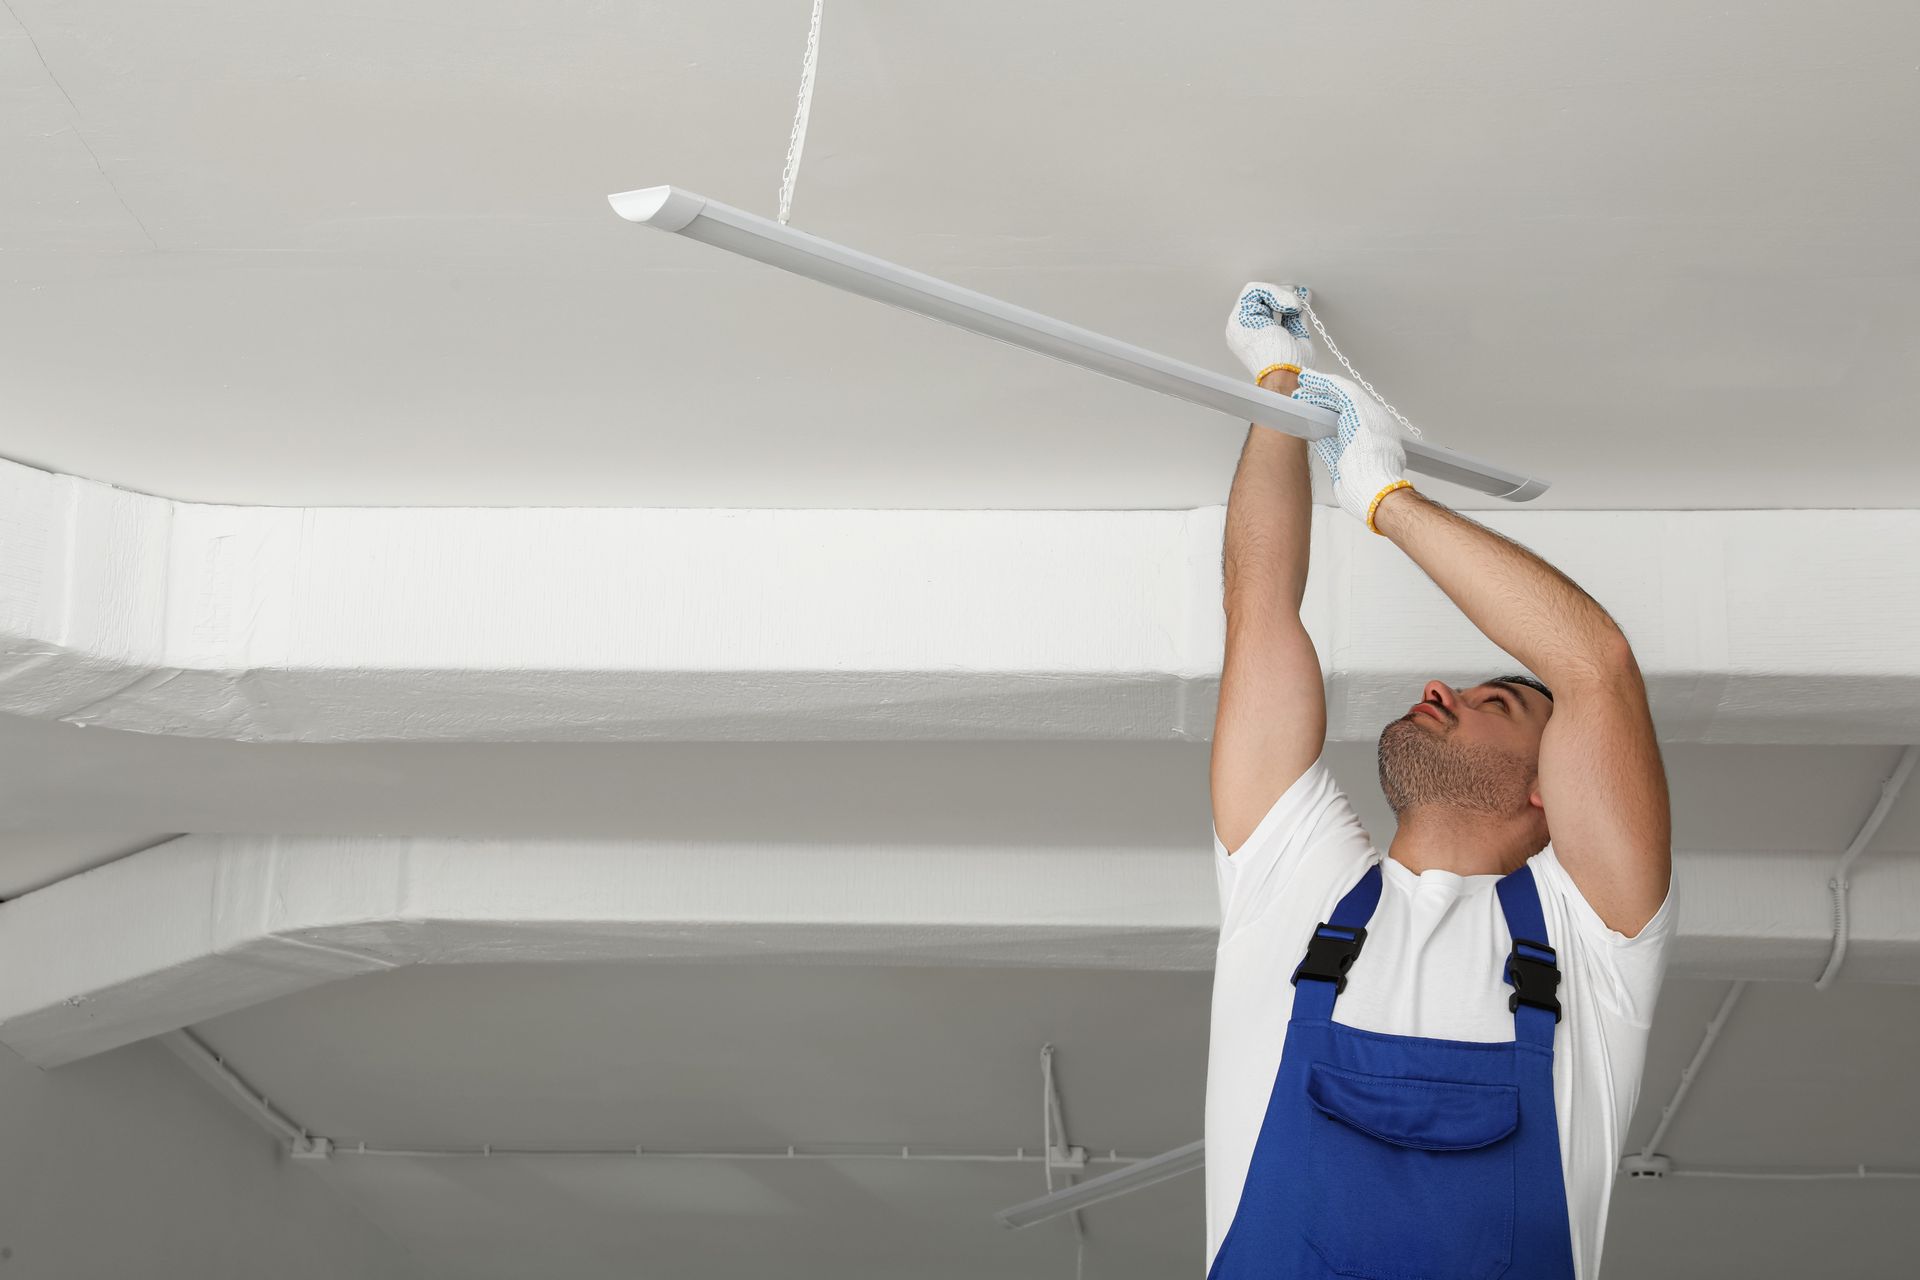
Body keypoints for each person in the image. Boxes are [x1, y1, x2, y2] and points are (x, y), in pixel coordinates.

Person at [1203, 284, 1676, 1280]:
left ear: (1557, 789)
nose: (1440, 688)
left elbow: (1592, 662)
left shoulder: (1594, 938)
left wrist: (1389, 501)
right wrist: (1277, 391)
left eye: (1498, 700)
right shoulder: (1298, 884)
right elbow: (1261, 610)